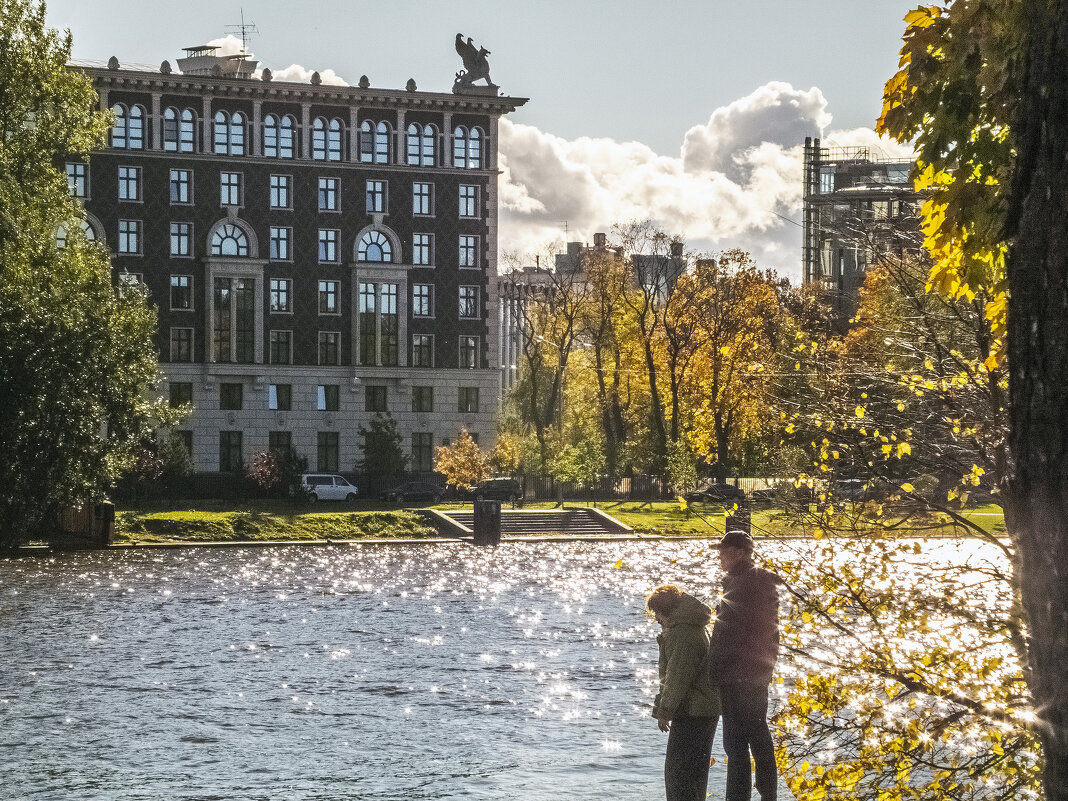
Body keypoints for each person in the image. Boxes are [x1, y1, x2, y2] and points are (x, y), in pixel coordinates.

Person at [709, 530, 781, 801]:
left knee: (738, 741)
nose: (720, 558)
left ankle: (742, 796)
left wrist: (714, 671)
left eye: (723, 552)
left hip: (738, 674)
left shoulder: (743, 584)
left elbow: (727, 634)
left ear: (739, 553)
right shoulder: (757, 582)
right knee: (755, 735)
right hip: (755, 671)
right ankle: (765, 793)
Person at [647, 583, 720, 801]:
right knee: (694, 775)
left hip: (693, 711)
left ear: (666, 612)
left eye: (657, 613)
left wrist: (665, 710)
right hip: (703, 710)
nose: (656, 619)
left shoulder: (682, 634)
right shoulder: (691, 627)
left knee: (679, 776)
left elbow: (677, 676)